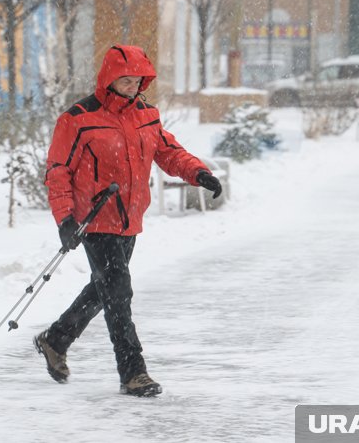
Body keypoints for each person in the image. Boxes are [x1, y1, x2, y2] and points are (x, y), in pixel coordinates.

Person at [34, 44, 222, 397]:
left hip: (130, 219)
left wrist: (198, 172)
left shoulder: (146, 115)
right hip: (94, 219)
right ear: (108, 79)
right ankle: (133, 372)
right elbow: (58, 171)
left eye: (138, 80)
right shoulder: (77, 119)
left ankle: (55, 339)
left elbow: (168, 152)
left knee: (103, 289)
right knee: (118, 292)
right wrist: (64, 220)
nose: (133, 86)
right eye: (125, 80)